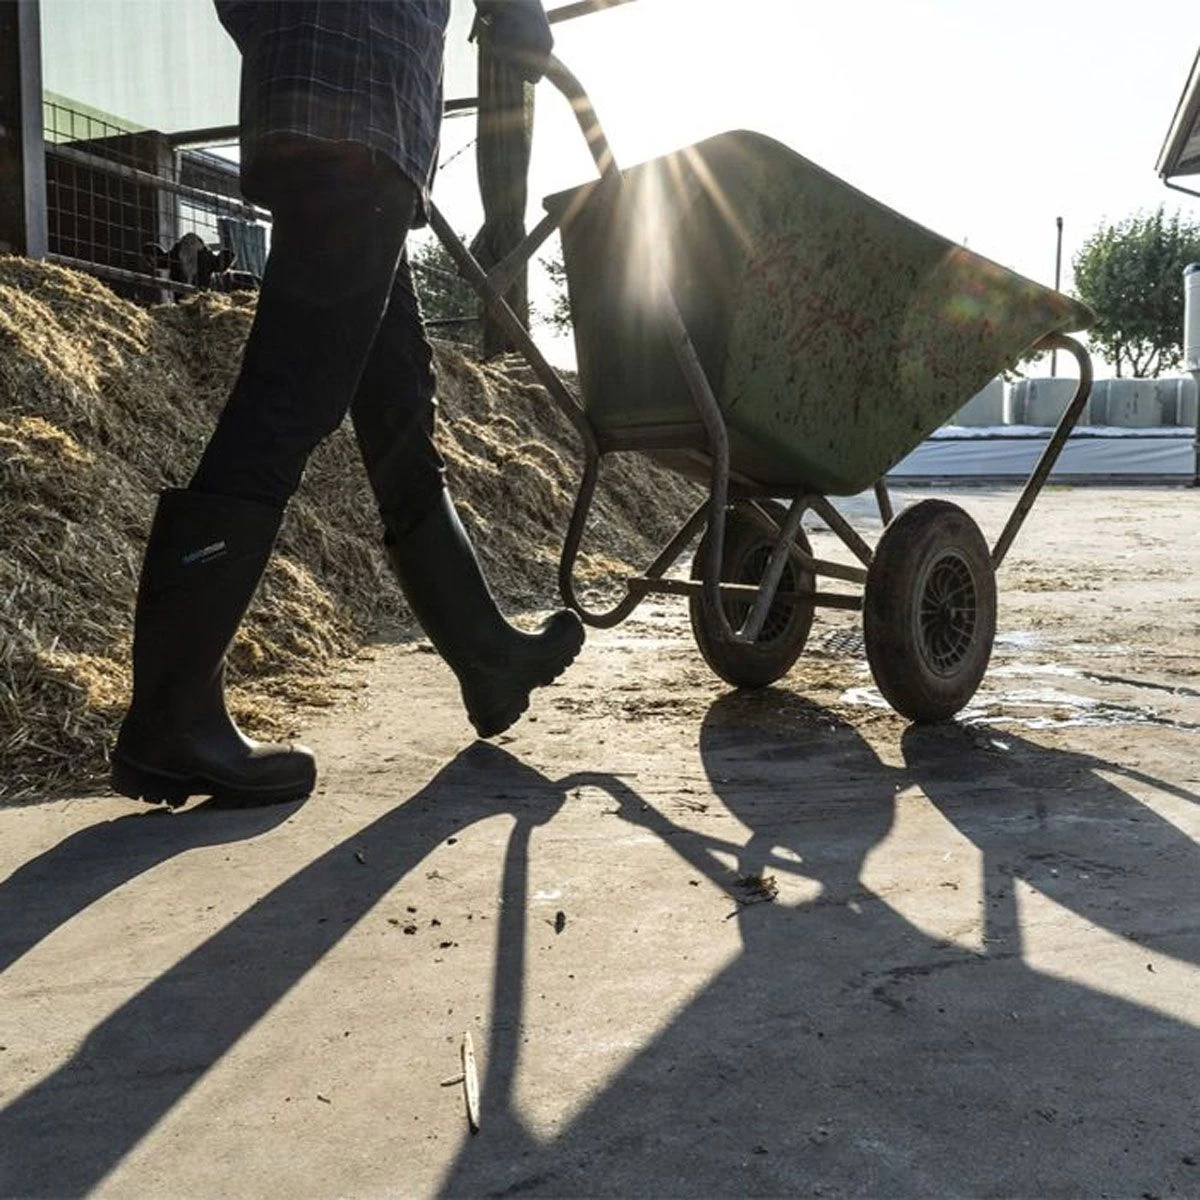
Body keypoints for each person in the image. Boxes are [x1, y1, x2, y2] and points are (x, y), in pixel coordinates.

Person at [110, 0, 583, 809]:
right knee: (290, 396)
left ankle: (486, 656)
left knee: (398, 400)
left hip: (319, 90)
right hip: (360, 102)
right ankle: (169, 719)